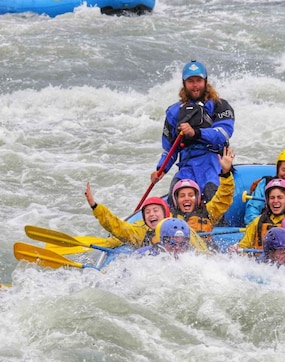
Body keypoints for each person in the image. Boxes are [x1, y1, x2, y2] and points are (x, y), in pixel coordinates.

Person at [151, 60, 235, 203]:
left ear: (205, 81)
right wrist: (161, 170)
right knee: (176, 195)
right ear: (184, 84)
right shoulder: (174, 112)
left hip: (214, 163)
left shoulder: (219, 105)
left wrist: (196, 133)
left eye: (198, 80)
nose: (195, 85)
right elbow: (170, 149)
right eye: (191, 81)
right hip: (188, 165)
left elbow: (223, 133)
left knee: (211, 194)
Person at [85, 183, 209, 252]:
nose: (151, 214)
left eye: (155, 210)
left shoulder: (178, 226)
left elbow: (200, 250)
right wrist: (95, 206)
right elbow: (117, 227)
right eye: (148, 212)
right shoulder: (140, 230)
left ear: (165, 214)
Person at [169, 146, 235, 233]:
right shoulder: (169, 217)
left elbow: (224, 197)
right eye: (182, 196)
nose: (186, 198)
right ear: (176, 200)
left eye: (191, 195)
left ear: (197, 198)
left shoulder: (209, 212)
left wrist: (225, 173)